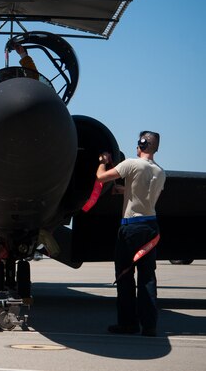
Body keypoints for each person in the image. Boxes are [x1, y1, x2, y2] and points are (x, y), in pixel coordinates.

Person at [96, 131, 165, 337]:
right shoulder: (160, 172)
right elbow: (142, 193)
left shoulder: (132, 165)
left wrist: (102, 161)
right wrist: (123, 191)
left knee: (125, 276)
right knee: (147, 278)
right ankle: (149, 326)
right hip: (151, 227)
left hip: (131, 228)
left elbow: (100, 177)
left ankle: (128, 323)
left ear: (141, 144)